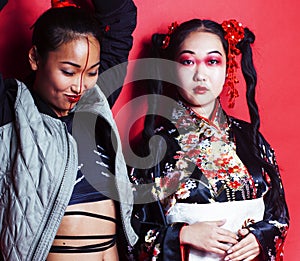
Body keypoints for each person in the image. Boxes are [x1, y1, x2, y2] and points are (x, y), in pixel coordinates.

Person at [129, 19, 289, 260]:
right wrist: (181, 236)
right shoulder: (154, 146)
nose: (200, 74)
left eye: (212, 61)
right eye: (187, 61)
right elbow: (132, 232)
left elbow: (278, 215)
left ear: (227, 68)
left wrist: (260, 238)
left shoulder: (252, 138)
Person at [0, 0, 137, 260]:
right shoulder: (10, 113)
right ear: (35, 58)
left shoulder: (95, 102)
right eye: (68, 72)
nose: (80, 86)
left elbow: (121, 16)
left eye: (92, 72)